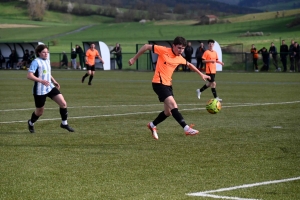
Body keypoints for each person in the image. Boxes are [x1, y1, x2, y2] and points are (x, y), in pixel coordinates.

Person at [128, 36, 211, 140]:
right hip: (158, 83)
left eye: (183, 48)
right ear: (173, 46)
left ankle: (152, 125)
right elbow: (146, 46)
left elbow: (189, 64)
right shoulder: (163, 50)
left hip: (168, 85)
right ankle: (186, 128)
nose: (181, 50)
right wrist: (134, 58)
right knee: (173, 105)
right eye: (179, 48)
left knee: (168, 112)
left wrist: (201, 74)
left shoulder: (180, 58)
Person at [26, 44, 74, 133]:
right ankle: (31, 122)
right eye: (43, 52)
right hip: (39, 90)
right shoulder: (36, 62)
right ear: (39, 53)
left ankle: (64, 123)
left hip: (49, 87)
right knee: (40, 112)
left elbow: (48, 73)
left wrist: (54, 81)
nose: (46, 54)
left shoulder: (47, 60)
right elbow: (29, 75)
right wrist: (41, 80)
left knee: (63, 103)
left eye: (47, 52)